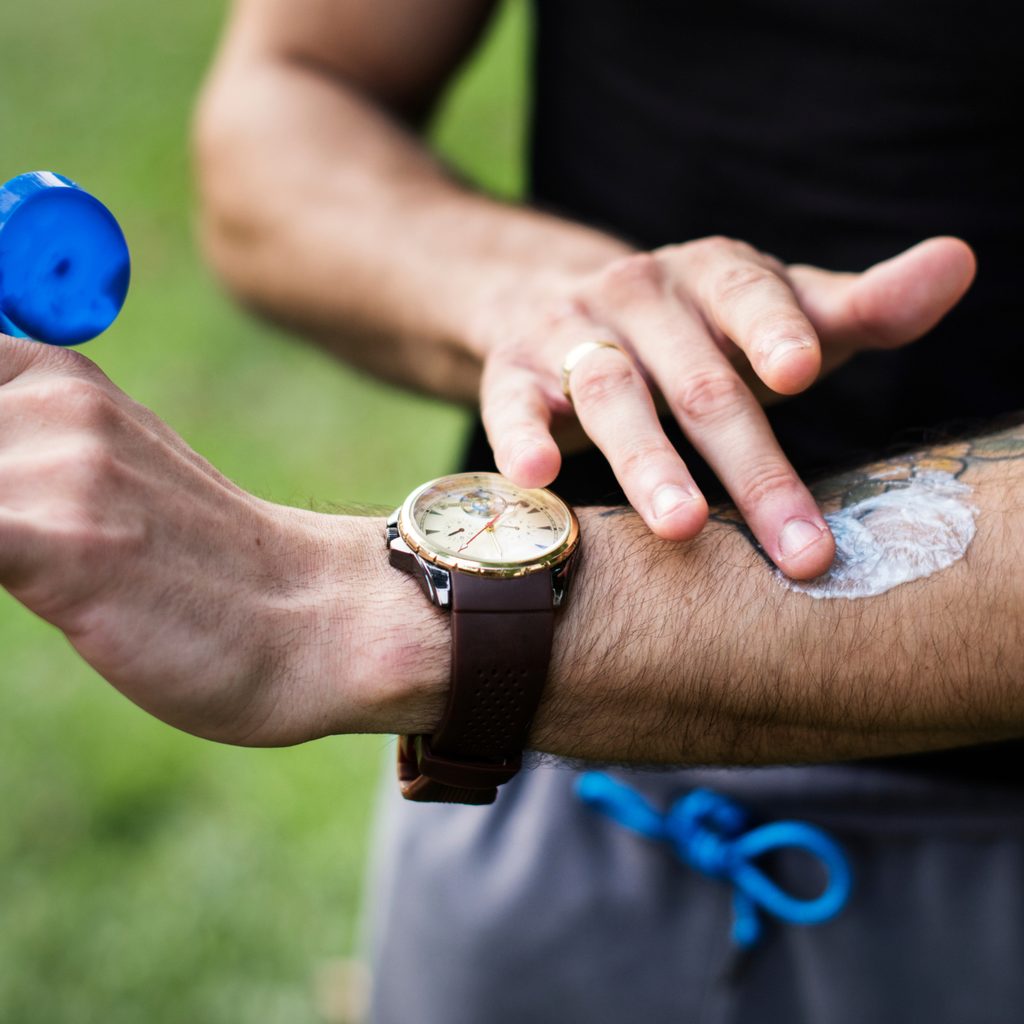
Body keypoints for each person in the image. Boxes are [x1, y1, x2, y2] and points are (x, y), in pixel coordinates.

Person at [185, 1, 1024, 1019]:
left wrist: (393, 633)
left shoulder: (413, 645)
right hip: (533, 790)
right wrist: (528, 292)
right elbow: (290, 90)